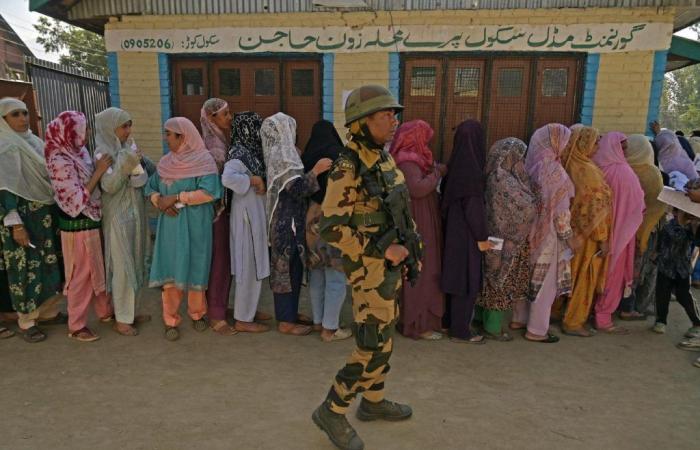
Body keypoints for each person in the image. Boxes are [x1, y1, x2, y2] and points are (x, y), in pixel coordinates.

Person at [312, 85, 417, 450]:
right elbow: (331, 228)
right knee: (370, 343)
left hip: (387, 270)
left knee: (384, 339)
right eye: (385, 114)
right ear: (361, 122)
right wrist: (382, 250)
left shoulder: (382, 158)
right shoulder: (348, 165)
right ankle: (332, 408)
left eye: (393, 113)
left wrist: (408, 247)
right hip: (369, 271)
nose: (394, 120)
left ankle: (372, 403)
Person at [145, 117, 221, 341]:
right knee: (172, 268)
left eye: (169, 134)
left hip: (196, 224)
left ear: (183, 137)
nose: (166, 138)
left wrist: (176, 198)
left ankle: (197, 314)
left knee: (196, 265)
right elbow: (150, 188)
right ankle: (170, 318)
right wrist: (159, 200)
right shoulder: (166, 163)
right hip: (171, 226)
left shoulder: (204, 162)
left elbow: (209, 193)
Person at [45, 111, 114, 342]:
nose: (86, 135)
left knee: (99, 268)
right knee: (80, 274)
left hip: (92, 220)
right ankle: (76, 325)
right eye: (81, 131)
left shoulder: (78, 151)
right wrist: (99, 171)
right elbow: (74, 199)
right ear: (69, 132)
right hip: (76, 225)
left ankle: (104, 312)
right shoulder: (59, 160)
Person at [0, 97, 64, 343]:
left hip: (43, 214)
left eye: (25, 113)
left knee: (48, 263)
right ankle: (26, 321)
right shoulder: (6, 146)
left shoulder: (35, 143)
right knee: (24, 267)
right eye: (15, 114)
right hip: (20, 217)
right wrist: (16, 224)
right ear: (4, 120)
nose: (23, 119)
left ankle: (47, 312)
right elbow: (6, 189)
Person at [261, 112, 330, 336]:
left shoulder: (286, 153)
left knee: (294, 269)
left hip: (291, 220)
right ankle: (285, 321)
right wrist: (317, 171)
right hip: (285, 222)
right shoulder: (283, 154)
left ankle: (290, 313)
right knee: (285, 271)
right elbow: (297, 189)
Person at [512, 123, 575, 343]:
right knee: (544, 282)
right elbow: (560, 211)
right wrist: (568, 237)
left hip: (528, 231)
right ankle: (537, 330)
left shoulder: (530, 165)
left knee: (526, 275)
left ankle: (518, 318)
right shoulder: (554, 170)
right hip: (549, 235)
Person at [95, 107, 155, 336]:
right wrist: (126, 160)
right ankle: (121, 318)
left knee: (137, 260)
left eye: (130, 125)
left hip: (135, 213)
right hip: (118, 218)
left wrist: (134, 160)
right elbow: (109, 185)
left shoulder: (126, 149)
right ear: (111, 128)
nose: (128, 131)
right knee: (122, 267)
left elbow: (145, 172)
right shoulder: (104, 153)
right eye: (124, 126)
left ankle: (130, 312)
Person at [389, 120, 446, 340]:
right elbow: (418, 188)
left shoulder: (415, 161)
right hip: (417, 220)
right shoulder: (407, 162)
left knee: (425, 267)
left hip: (423, 217)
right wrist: (437, 173)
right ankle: (417, 324)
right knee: (421, 270)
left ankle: (420, 321)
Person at [477, 137, 536, 341]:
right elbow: (526, 207)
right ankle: (492, 328)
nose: (521, 160)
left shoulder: (492, 176)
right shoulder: (504, 180)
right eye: (518, 156)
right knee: (500, 282)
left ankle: (481, 319)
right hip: (505, 242)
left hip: (492, 239)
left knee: (489, 279)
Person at [556, 126, 612, 337]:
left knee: (564, 274)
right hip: (586, 238)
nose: (597, 147)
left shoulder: (568, 163)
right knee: (583, 278)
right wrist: (602, 238)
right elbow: (593, 208)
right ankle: (574, 321)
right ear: (583, 143)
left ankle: (556, 312)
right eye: (595, 142)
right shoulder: (587, 171)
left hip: (568, 233)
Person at [441, 120, 492, 344]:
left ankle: (449, 323)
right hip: (467, 237)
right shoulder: (472, 173)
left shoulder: (455, 167)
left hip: (452, 233)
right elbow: (474, 211)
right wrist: (482, 237)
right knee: (467, 281)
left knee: (454, 278)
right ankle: (460, 331)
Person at [302, 120, 352, 342]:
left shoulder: (307, 156)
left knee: (317, 272)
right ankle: (330, 329)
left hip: (311, 218)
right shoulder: (339, 154)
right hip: (334, 218)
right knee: (336, 274)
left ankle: (318, 322)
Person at [221, 112, 270, 333]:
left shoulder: (252, 153)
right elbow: (227, 178)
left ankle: (249, 310)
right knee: (246, 267)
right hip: (246, 218)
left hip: (254, 215)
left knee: (254, 264)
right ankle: (243, 318)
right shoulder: (238, 153)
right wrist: (252, 179)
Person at [591, 132, 645, 334]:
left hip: (594, 234)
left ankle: (586, 311)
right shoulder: (625, 172)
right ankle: (603, 318)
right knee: (613, 275)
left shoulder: (594, 167)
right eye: (622, 147)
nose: (625, 151)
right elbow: (637, 206)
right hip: (619, 234)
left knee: (594, 272)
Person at [618, 134, 666, 318]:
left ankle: (619, 303)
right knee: (640, 268)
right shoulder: (652, 173)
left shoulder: (623, 169)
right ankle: (630, 308)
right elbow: (659, 204)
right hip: (647, 228)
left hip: (624, 228)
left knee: (624, 268)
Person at [200, 98, 236, 336]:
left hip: (222, 209)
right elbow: (212, 184)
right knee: (219, 261)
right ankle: (216, 314)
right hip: (216, 211)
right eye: (225, 114)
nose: (230, 117)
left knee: (222, 260)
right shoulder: (214, 145)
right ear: (211, 118)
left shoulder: (221, 139)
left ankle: (216, 306)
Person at [652, 209, 700, 339]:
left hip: (682, 268)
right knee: (662, 294)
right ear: (676, 212)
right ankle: (661, 321)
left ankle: (697, 322)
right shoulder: (669, 226)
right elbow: (664, 242)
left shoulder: (692, 226)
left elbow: (697, 242)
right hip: (666, 266)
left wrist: (695, 226)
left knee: (684, 296)